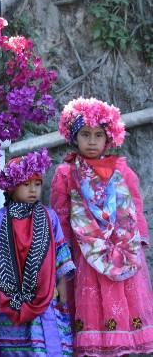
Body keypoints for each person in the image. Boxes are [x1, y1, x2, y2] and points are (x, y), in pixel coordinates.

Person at [51, 97, 153, 356]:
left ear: (110, 138)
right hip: (85, 255)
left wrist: (138, 242)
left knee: (123, 301)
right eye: (85, 135)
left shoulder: (122, 170)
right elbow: (61, 216)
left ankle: (123, 346)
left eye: (98, 135)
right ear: (74, 138)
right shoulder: (66, 173)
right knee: (93, 303)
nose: (92, 141)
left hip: (124, 250)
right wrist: (62, 254)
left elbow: (135, 206)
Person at [0, 149, 75, 356]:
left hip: (47, 291)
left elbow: (60, 253)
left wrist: (62, 287)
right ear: (11, 188)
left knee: (48, 341)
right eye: (26, 184)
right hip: (12, 295)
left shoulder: (49, 217)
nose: (33, 190)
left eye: (37, 184)